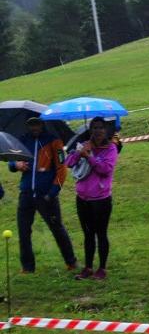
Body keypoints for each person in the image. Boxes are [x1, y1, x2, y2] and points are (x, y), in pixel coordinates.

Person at [7, 116, 77, 274]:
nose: (34, 127)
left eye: (37, 124)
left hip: (46, 196)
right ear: (27, 125)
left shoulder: (54, 141)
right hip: (26, 194)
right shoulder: (22, 140)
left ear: (42, 124)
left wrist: (52, 193)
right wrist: (16, 164)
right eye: (31, 124)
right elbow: (11, 162)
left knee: (57, 228)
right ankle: (27, 267)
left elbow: (62, 170)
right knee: (23, 231)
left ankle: (71, 262)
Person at [65, 116, 119, 281]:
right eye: (94, 128)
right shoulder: (84, 145)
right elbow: (68, 163)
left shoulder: (111, 148)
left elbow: (105, 169)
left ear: (106, 130)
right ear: (90, 130)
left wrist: (89, 157)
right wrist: (80, 153)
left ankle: (102, 268)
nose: (98, 131)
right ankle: (88, 267)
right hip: (83, 199)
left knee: (101, 234)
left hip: (101, 200)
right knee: (88, 234)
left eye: (101, 127)